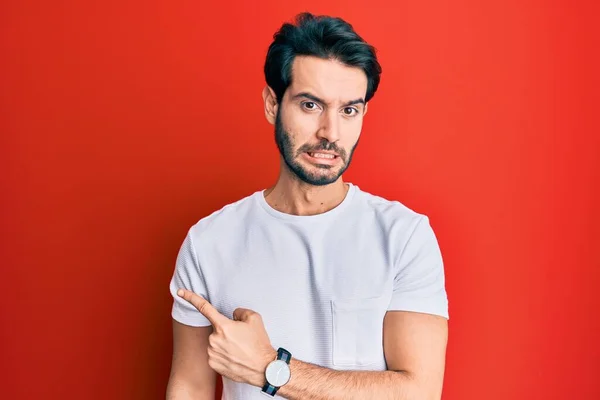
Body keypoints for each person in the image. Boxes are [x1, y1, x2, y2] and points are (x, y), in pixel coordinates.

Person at [166, 12, 449, 400]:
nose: (330, 133)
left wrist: (270, 368)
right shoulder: (209, 241)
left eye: (349, 110)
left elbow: (419, 392)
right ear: (272, 104)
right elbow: (191, 386)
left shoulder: (403, 236)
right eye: (311, 105)